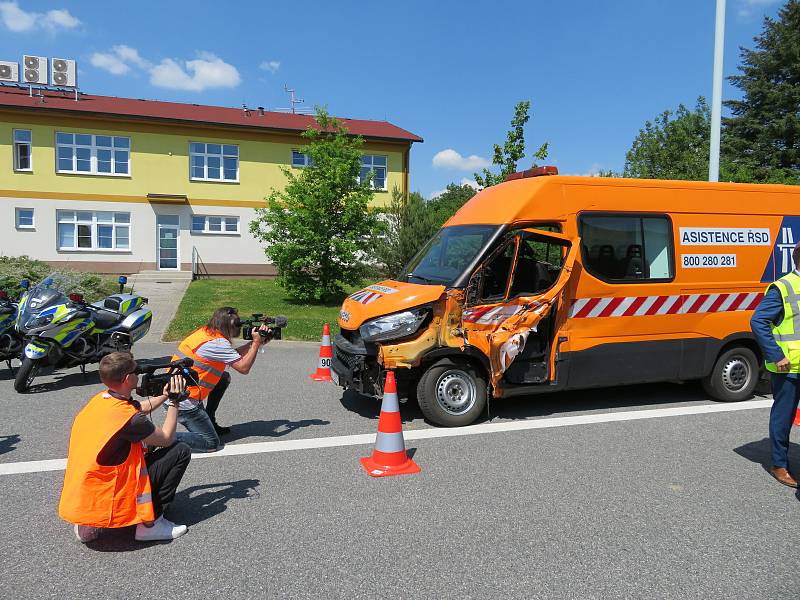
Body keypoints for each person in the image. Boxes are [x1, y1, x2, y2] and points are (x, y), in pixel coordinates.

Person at [59, 351, 192, 543]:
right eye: (136, 371)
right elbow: (166, 438)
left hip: (89, 493)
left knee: (143, 446)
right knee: (180, 451)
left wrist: (163, 395)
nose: (138, 374)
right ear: (129, 378)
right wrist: (174, 401)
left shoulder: (102, 400)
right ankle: (151, 524)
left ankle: (89, 521)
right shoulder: (130, 420)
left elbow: (138, 407)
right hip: (114, 490)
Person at [171, 306, 270, 452]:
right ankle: (159, 437)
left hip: (178, 389)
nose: (239, 329)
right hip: (183, 400)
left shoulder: (206, 332)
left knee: (223, 378)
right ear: (229, 325)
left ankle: (209, 419)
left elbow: (231, 355)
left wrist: (256, 343)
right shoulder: (218, 343)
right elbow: (243, 368)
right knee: (210, 443)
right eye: (237, 325)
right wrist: (255, 343)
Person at [751, 242, 800, 488]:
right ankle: (779, 464)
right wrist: (776, 355)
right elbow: (758, 321)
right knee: (784, 416)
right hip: (789, 367)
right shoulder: (783, 287)